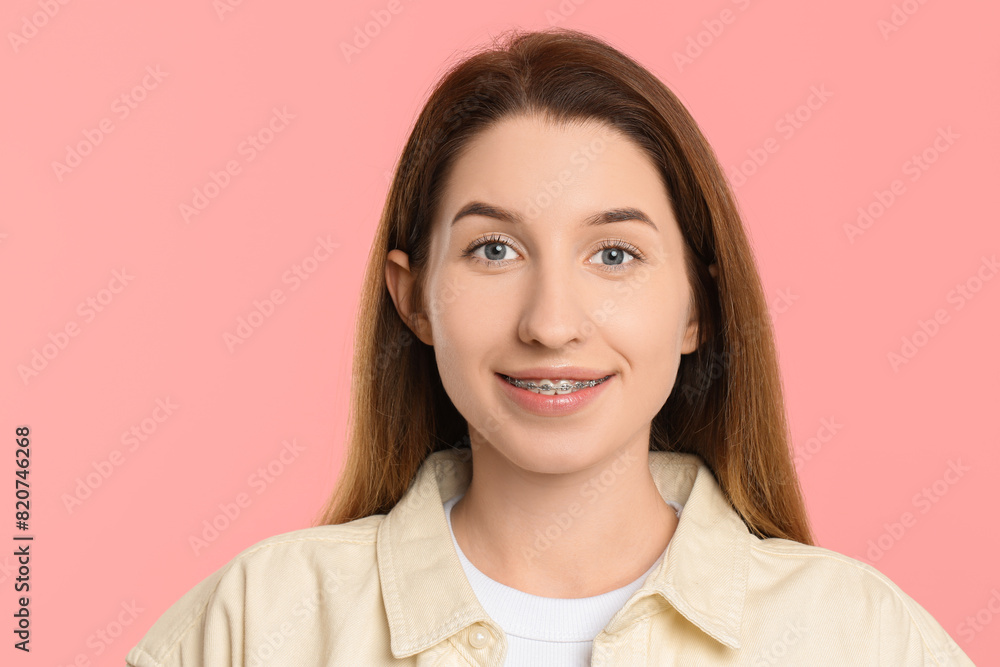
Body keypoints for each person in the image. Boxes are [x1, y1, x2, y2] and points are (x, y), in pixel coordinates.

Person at [126, 27, 975, 666]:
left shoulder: (859, 636)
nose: (551, 323)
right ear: (413, 297)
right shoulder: (256, 623)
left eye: (615, 255)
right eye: (494, 249)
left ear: (699, 308)